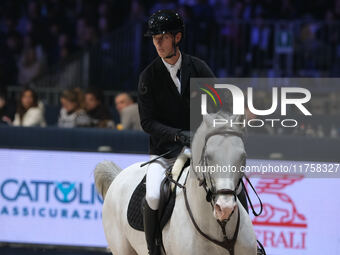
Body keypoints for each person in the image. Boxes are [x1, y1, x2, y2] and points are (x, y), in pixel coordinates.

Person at [137, 10, 215, 255]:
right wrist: (178, 135)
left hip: (201, 148)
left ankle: (248, 244)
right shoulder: (148, 76)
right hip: (165, 152)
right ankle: (153, 248)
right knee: (152, 195)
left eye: (163, 37)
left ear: (177, 37)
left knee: (231, 182)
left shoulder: (199, 68)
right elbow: (147, 122)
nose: (157, 42)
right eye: (154, 38)